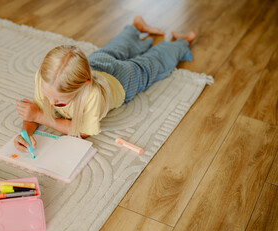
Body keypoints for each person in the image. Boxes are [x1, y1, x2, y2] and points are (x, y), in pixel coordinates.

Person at [14, 16, 196, 152]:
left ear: (83, 85)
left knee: (152, 63)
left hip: (122, 81)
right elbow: (34, 109)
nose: (51, 103)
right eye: (48, 96)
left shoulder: (91, 94)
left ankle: (181, 43)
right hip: (95, 63)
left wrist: (40, 117)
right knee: (116, 48)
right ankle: (135, 27)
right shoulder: (46, 78)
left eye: (59, 101)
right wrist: (26, 133)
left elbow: (82, 131)